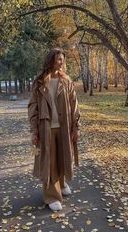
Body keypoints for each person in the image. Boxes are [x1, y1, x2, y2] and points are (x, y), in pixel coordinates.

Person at [28, 48, 80, 211]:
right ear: (50, 61)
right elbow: (33, 107)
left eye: (62, 59)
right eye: (58, 59)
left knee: (63, 157)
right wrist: (34, 131)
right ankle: (51, 196)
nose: (61, 62)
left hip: (64, 128)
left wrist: (76, 126)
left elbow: (74, 105)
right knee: (49, 163)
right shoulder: (40, 82)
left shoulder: (66, 81)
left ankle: (62, 184)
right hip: (46, 129)